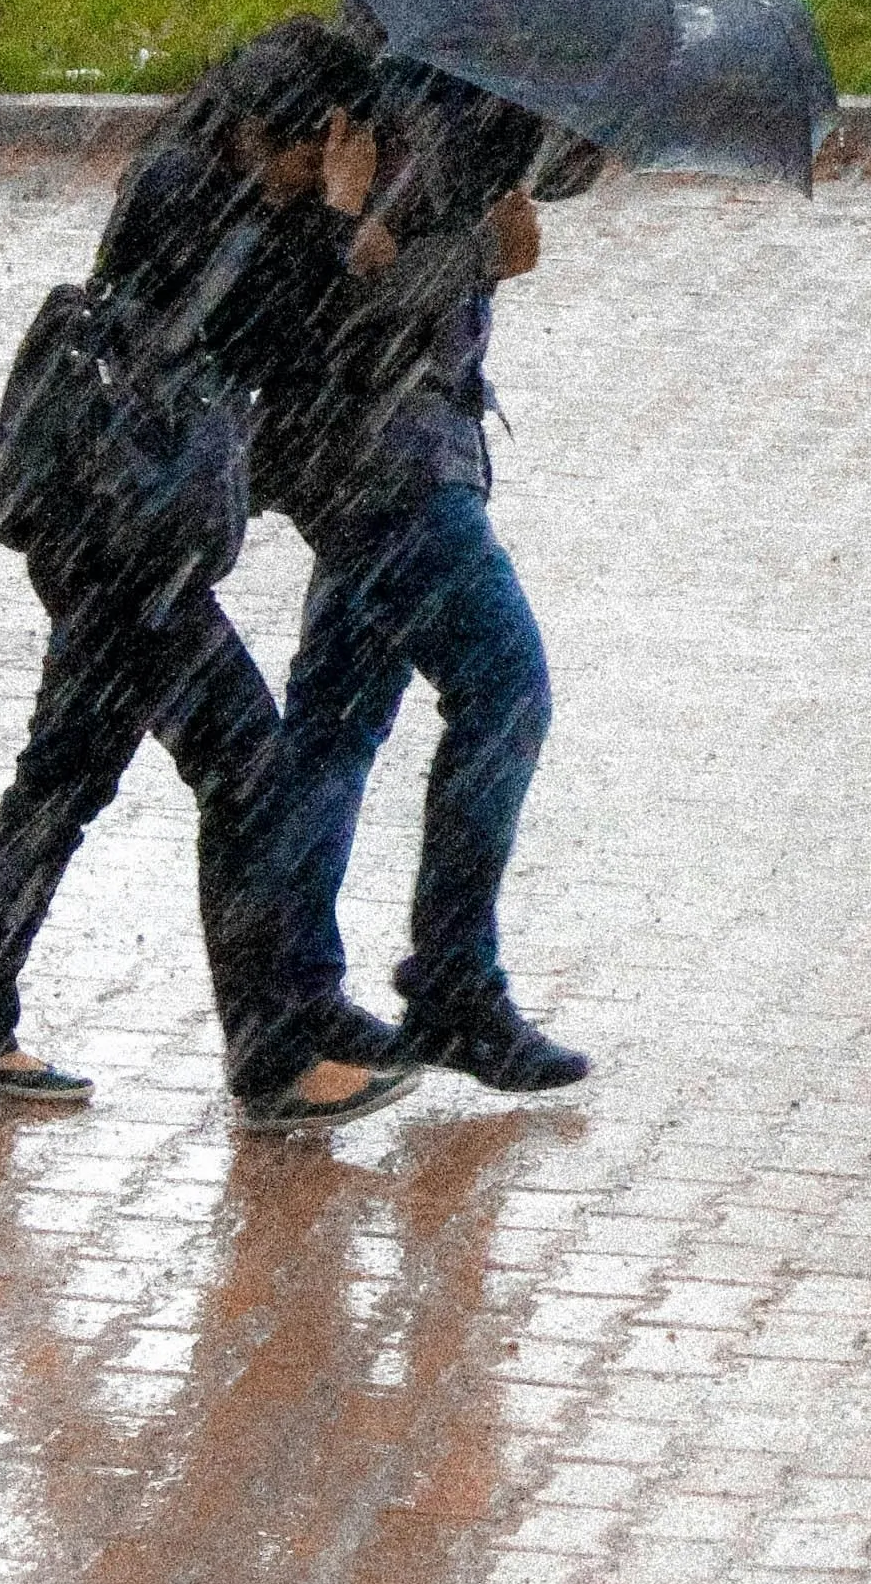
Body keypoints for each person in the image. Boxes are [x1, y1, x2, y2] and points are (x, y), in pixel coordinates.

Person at [0, 18, 409, 1128]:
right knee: (247, 767)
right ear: (308, 130)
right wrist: (337, 225)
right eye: (335, 146)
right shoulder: (204, 194)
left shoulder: (200, 170)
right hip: (127, 544)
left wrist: (329, 230)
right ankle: (274, 1053)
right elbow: (281, 338)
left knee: (67, 772)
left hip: (101, 529)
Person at [223, 62, 601, 1103]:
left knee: (335, 725)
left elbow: (553, 169)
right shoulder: (419, 96)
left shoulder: (468, 74)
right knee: (506, 690)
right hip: (391, 463)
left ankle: (294, 995)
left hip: (372, 457)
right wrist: (484, 252)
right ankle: (451, 982)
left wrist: (592, 117)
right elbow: (353, 296)